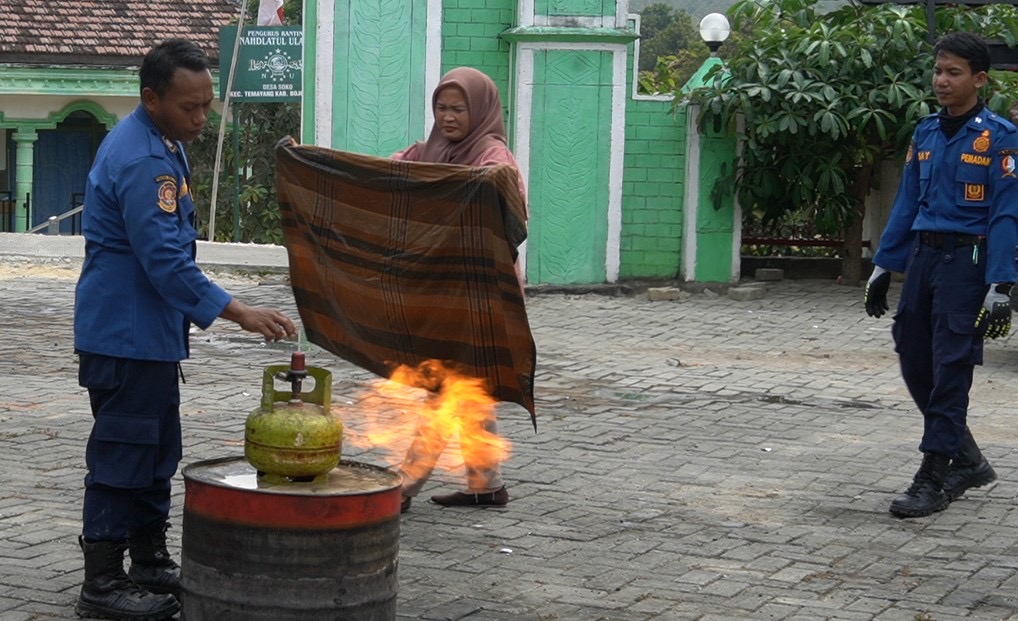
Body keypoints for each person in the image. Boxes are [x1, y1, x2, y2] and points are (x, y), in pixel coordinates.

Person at [73, 39, 297, 620]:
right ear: (151, 98)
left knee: (154, 451)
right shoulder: (145, 160)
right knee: (123, 455)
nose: (202, 118)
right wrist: (238, 310)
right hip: (125, 332)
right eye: (190, 107)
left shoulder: (160, 140)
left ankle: (148, 562)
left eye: (206, 106)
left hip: (146, 332)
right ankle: (102, 584)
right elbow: (165, 260)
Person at [864, 32, 1017, 519]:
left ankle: (933, 476)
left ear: (979, 79)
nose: (942, 81)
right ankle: (968, 458)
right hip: (925, 261)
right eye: (938, 71)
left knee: (951, 368)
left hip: (968, 264)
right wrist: (885, 266)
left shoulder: (1000, 137)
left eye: (953, 73)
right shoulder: (926, 132)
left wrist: (1002, 284)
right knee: (914, 357)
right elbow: (908, 202)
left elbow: (1007, 214)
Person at [391, 66, 527, 513]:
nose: (448, 117)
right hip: (445, 289)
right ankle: (486, 483)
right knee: (469, 389)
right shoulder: (431, 149)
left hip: (480, 293)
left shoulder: (492, 154)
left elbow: (508, 203)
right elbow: (383, 172)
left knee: (444, 390)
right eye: (441, 107)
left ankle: (403, 487)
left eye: (459, 108)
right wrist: (318, 163)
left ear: (481, 109)